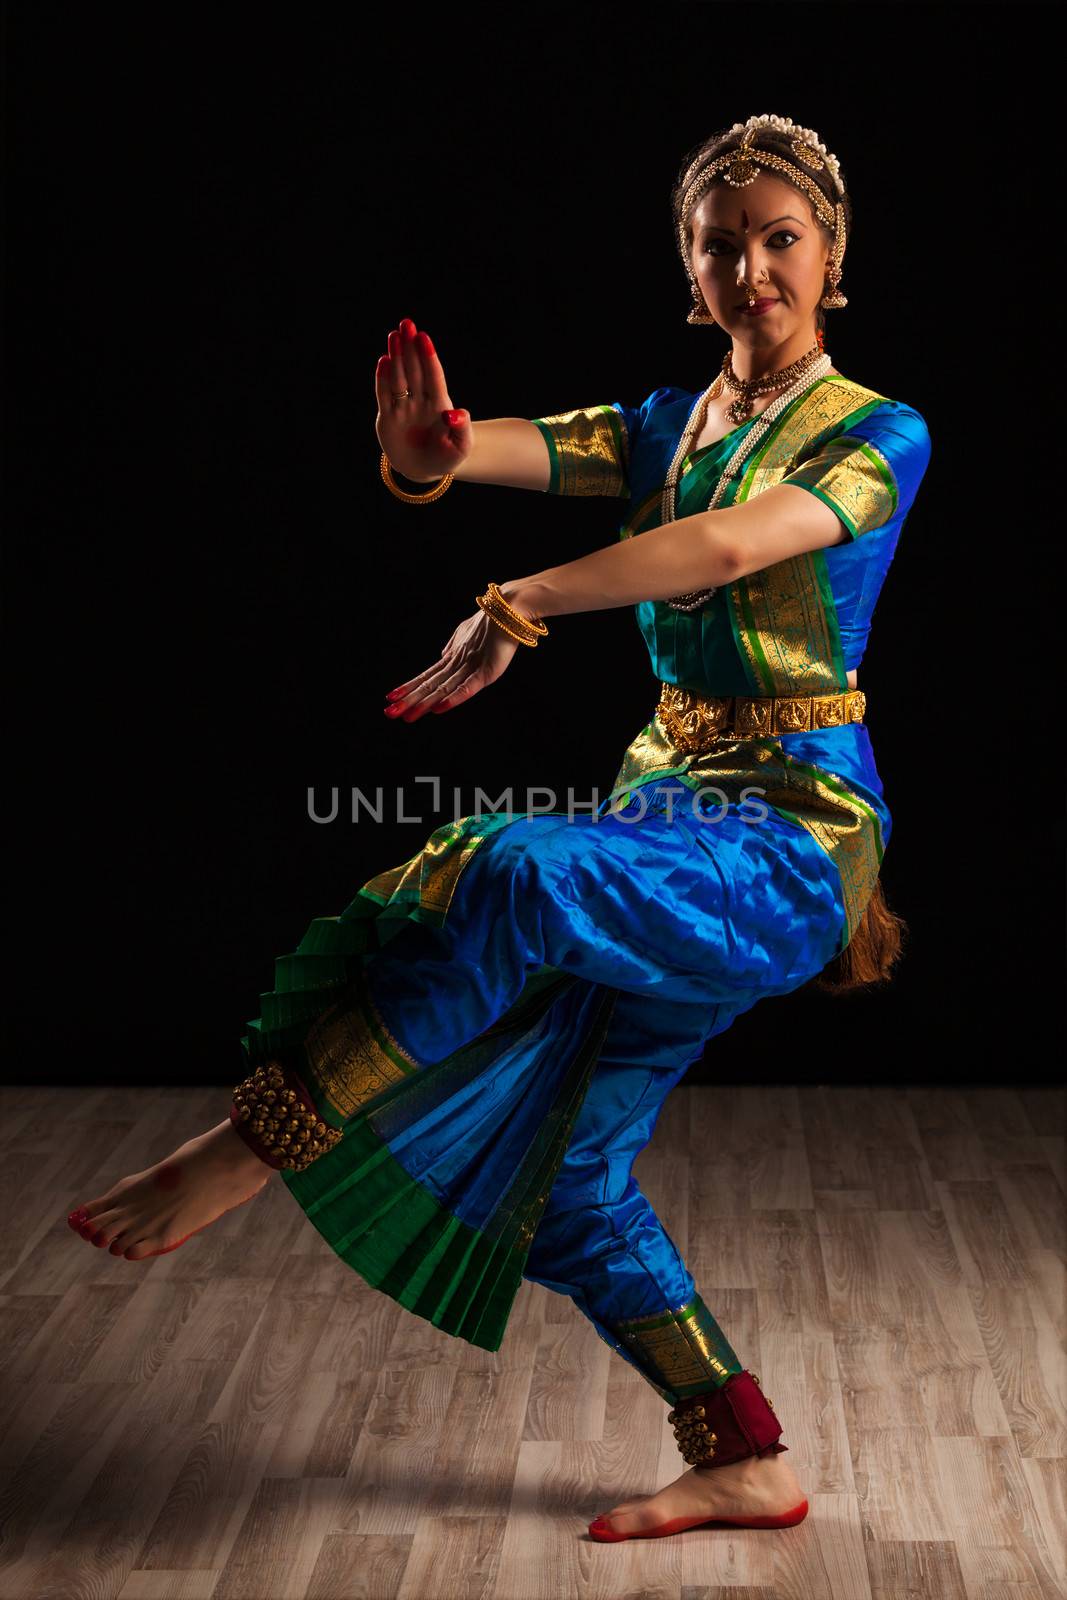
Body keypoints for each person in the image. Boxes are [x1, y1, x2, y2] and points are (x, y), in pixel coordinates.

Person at [66, 113, 931, 1542]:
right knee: (572, 1179)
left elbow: (725, 547)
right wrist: (433, 457)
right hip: (668, 829)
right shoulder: (669, 425)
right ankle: (743, 1454)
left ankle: (256, 1141)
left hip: (788, 843)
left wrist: (520, 600)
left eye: (782, 239)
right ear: (690, 271)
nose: (754, 267)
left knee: (504, 864)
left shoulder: (879, 433)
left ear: (833, 258)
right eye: (723, 245)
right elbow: (522, 447)